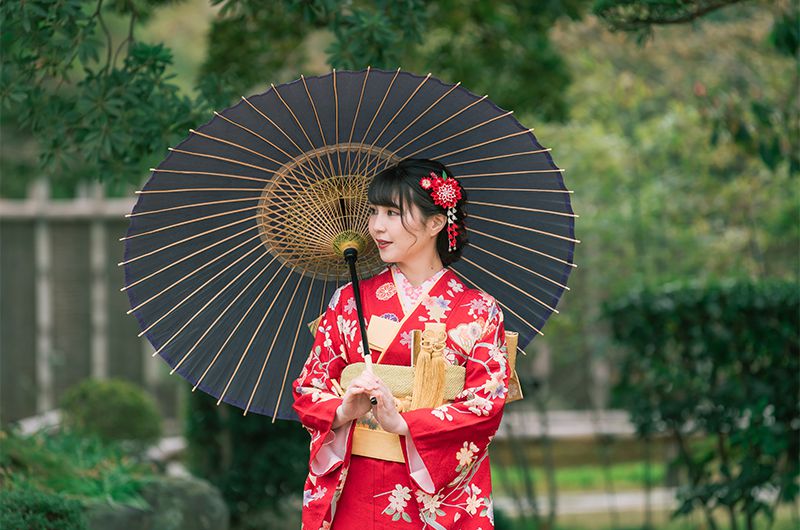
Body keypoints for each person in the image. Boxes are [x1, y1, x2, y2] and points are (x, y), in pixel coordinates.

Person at [292, 158, 510, 529]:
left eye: (393, 213)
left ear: (436, 223)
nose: (377, 226)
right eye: (374, 211)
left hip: (437, 491)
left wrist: (405, 422)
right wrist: (345, 410)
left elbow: (485, 405)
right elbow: (309, 388)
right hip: (357, 485)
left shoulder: (477, 310)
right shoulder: (348, 301)